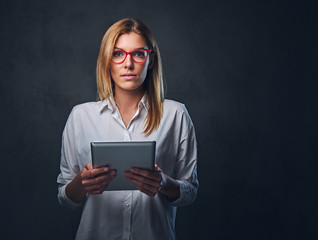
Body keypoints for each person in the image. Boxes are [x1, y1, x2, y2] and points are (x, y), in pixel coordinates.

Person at [57, 18, 198, 240]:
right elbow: (65, 198)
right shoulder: (80, 116)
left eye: (138, 54)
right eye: (117, 53)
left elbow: (190, 191)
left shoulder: (176, 114)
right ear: (107, 60)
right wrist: (81, 183)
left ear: (150, 60)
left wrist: (163, 183)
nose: (128, 64)